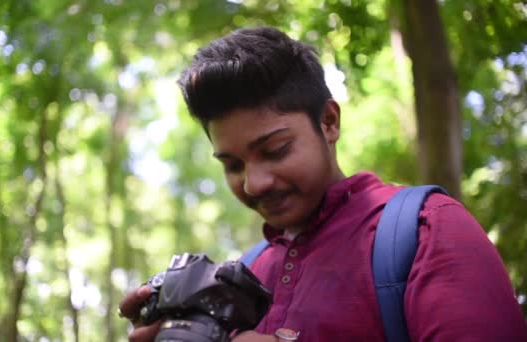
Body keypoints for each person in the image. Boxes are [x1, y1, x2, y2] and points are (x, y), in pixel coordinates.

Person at [119, 27, 527, 341]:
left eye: (276, 150)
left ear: (329, 122)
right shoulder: (251, 270)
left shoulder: (429, 231)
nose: (255, 183)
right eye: (232, 165)